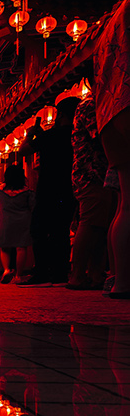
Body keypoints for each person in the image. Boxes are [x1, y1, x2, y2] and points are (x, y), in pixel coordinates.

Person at [92, 0, 130, 297]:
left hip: (109, 112)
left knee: (126, 204)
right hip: (127, 97)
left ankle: (122, 280)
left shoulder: (107, 26)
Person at [25, 99, 78, 284]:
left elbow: (24, 150)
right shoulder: (76, 135)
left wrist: (30, 134)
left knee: (39, 230)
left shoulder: (50, 135)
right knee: (61, 231)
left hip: (48, 189)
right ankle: (60, 273)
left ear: (60, 114)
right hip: (68, 189)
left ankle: (41, 272)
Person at [68, 95, 116, 289]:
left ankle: (95, 274)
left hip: (97, 173)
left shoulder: (93, 104)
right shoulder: (90, 105)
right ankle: (77, 275)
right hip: (90, 173)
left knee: (99, 225)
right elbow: (100, 135)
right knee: (90, 224)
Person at [0, 163, 34, 284]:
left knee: (4, 247)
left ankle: (6, 270)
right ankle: (18, 275)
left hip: (6, 220)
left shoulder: (1, 191)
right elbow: (33, 206)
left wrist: (0, 186)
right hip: (23, 221)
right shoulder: (27, 191)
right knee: (21, 247)